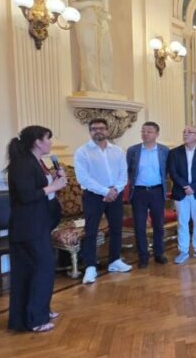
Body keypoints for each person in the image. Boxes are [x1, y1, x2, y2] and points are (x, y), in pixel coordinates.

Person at [6, 126, 66, 333]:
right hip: (27, 226)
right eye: (48, 139)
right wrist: (54, 187)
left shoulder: (37, 161)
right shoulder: (22, 164)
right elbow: (26, 196)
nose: (51, 142)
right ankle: (35, 319)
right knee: (39, 269)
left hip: (38, 223)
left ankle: (41, 309)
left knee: (42, 269)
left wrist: (56, 179)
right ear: (38, 142)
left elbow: (41, 188)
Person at [74, 118, 130, 284]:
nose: (97, 131)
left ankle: (114, 260)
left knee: (116, 228)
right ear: (90, 131)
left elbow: (123, 174)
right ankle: (90, 266)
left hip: (115, 193)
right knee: (91, 231)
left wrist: (115, 190)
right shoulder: (82, 152)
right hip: (93, 195)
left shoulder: (118, 151)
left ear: (107, 130)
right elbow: (83, 178)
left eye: (101, 128)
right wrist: (106, 191)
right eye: (93, 128)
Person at [126, 122, 170, 269]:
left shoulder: (164, 150)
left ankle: (159, 253)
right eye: (143, 131)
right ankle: (143, 256)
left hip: (157, 191)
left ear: (157, 134)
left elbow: (167, 171)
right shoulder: (133, 150)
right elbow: (127, 171)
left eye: (149, 131)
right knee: (139, 225)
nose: (145, 134)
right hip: (139, 192)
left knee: (158, 224)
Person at [168, 126, 196, 263]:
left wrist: (193, 187)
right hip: (180, 192)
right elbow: (173, 172)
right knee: (182, 223)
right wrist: (185, 186)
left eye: (189, 132)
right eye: (184, 132)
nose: (186, 134)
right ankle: (183, 251)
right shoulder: (175, 152)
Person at [68, 0, 113, 92]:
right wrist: (92, 2)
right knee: (89, 52)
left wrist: (106, 15)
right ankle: (90, 85)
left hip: (102, 24)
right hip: (85, 21)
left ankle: (105, 86)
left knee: (105, 55)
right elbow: (71, 4)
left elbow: (106, 11)